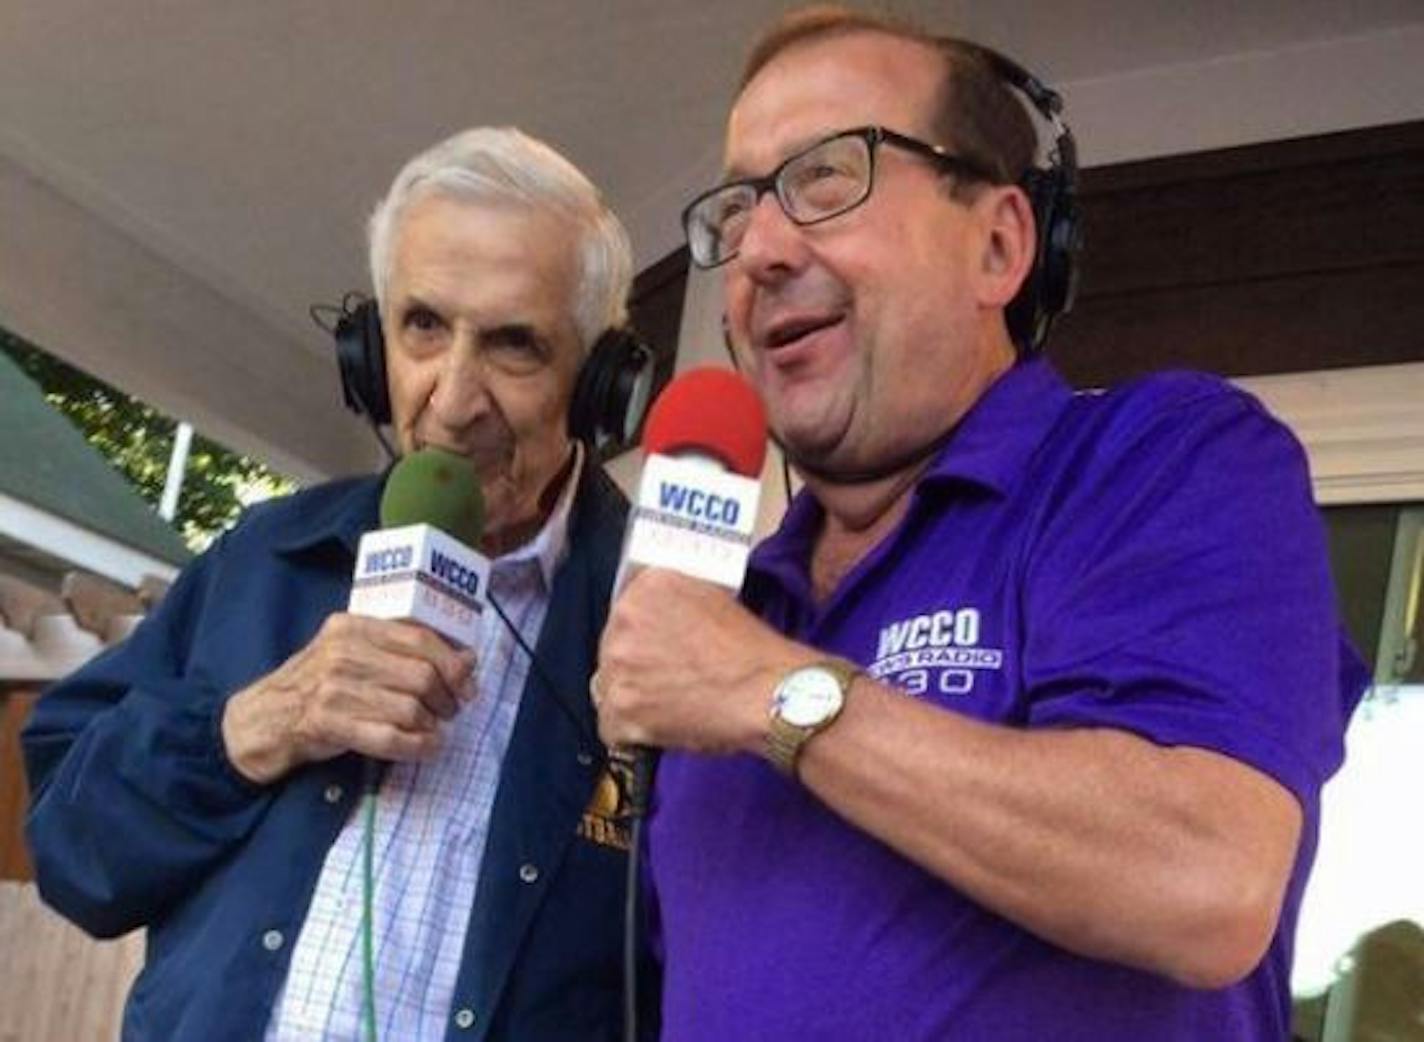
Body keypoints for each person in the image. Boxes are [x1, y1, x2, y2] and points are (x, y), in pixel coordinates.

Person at [592, 7, 1367, 1040]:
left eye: (825, 177)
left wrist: (766, 691)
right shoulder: (727, 614)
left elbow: (1201, 877)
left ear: (1000, 245)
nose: (759, 250)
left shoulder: (1158, 460)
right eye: (735, 211)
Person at [24, 127, 657, 1042]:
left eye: (515, 345)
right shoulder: (266, 556)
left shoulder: (662, 620)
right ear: (370, 345)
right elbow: (73, 855)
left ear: (602, 384)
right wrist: (251, 727)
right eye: (424, 327)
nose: (450, 398)